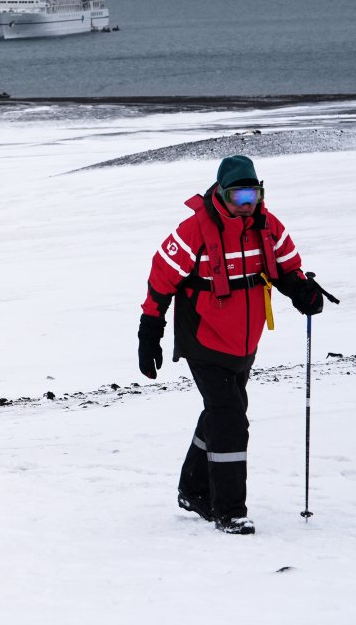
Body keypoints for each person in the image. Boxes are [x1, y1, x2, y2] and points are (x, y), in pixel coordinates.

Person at [139, 155, 326, 536]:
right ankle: (229, 511)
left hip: (244, 341)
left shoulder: (268, 227)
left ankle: (192, 489)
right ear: (221, 194)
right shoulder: (194, 230)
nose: (246, 204)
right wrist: (150, 331)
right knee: (230, 419)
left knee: (224, 410)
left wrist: (302, 291)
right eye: (238, 196)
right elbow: (161, 278)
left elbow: (286, 268)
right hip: (203, 337)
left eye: (253, 195)